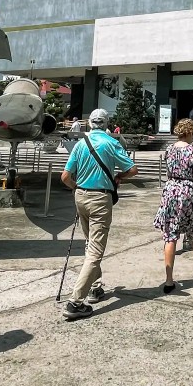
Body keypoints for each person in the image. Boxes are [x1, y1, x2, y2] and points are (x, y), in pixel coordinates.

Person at [59, 108, 138, 320]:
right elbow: (132, 169)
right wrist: (119, 177)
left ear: (90, 124)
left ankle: (95, 286)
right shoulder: (111, 143)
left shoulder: (79, 144)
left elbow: (65, 176)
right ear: (106, 123)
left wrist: (77, 188)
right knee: (95, 250)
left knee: (89, 242)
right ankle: (75, 302)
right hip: (100, 199)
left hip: (80, 197)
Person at [154, 119, 193, 292]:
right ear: (189, 132)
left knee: (170, 236)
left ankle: (169, 280)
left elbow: (169, 171)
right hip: (188, 193)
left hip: (171, 190)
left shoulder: (169, 149)